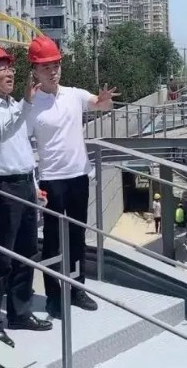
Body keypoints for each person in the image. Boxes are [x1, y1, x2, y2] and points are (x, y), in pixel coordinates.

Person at [25, 35, 117, 320]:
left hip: (78, 176)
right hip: (51, 180)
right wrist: (33, 183)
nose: (53, 71)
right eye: (46, 67)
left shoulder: (74, 94)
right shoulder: (30, 105)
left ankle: (77, 289)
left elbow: (99, 105)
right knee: (52, 241)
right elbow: (22, 144)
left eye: (56, 65)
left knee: (77, 237)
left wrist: (104, 101)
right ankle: (54, 297)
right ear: (35, 71)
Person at [0, 46, 52, 346]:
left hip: (23, 185)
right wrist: (24, 104)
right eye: (2, 69)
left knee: (26, 254)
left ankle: (20, 312)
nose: (10, 73)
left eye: (10, 68)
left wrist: (33, 183)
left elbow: (22, 147)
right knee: (0, 259)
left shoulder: (14, 105)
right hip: (1, 189)